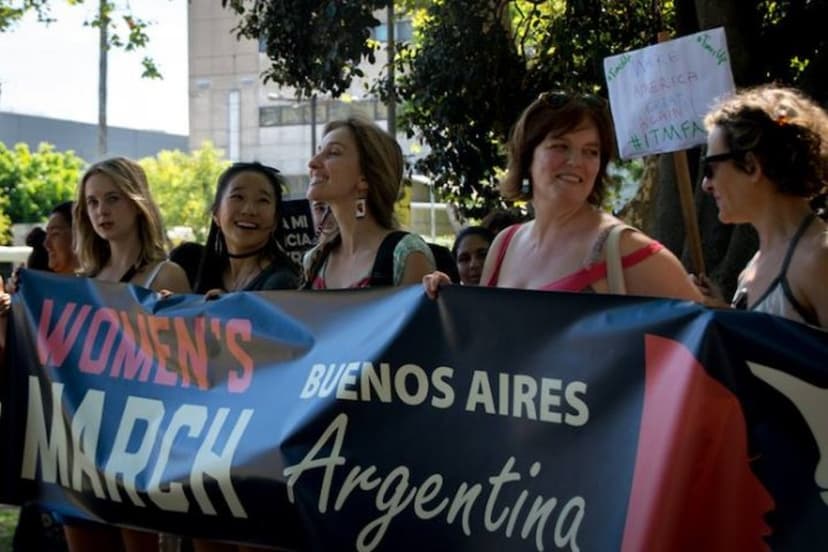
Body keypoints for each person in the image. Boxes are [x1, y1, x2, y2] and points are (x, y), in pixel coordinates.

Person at [424, 91, 702, 301]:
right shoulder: (504, 244)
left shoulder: (626, 249)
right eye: (561, 146)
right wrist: (451, 300)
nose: (576, 161)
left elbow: (704, 342)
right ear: (527, 156)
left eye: (591, 151)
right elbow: (486, 341)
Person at [68, 156, 191, 550]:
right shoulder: (81, 282)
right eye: (92, 202)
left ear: (137, 202)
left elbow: (186, 369)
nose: (101, 211)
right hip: (81, 445)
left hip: (141, 447)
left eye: (112, 198)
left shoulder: (167, 275)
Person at [696, 84, 828, 328]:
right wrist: (726, 313)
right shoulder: (752, 268)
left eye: (710, 168)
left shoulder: (818, 259)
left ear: (751, 166)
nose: (706, 184)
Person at [304, 117, 435, 288]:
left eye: (333, 152)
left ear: (365, 178)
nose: (312, 163)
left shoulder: (406, 254)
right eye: (319, 151)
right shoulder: (314, 260)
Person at [194, 162, 299, 294]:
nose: (249, 210)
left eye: (263, 200)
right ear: (216, 213)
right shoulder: (204, 273)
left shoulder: (282, 284)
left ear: (275, 220)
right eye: (238, 197)